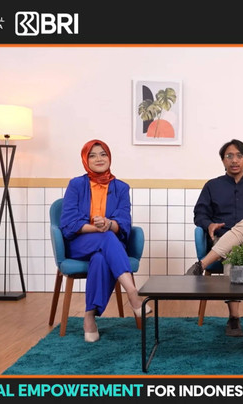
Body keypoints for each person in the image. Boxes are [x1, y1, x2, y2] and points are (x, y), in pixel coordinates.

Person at [60, 139, 151, 343]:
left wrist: (109, 224)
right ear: (85, 160)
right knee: (106, 237)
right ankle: (133, 293)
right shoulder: (76, 185)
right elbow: (68, 222)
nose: (99, 159)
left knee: (101, 258)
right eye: (92, 155)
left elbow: (124, 221)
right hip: (80, 243)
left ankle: (89, 317)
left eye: (103, 154)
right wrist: (98, 228)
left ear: (109, 157)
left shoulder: (121, 188)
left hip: (108, 245)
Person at [185, 139, 243, 337]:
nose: (234, 160)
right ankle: (234, 318)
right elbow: (199, 214)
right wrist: (208, 224)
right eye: (229, 156)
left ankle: (201, 264)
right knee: (233, 252)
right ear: (223, 161)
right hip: (222, 240)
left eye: (239, 156)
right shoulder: (212, 186)